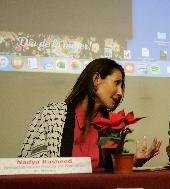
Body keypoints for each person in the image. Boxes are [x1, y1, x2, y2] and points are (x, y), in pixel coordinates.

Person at [19, 58, 161, 169]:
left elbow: (109, 172)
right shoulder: (50, 115)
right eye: (116, 83)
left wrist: (136, 161)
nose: (120, 92)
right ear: (96, 79)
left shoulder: (112, 124)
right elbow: (30, 168)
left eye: (121, 86)